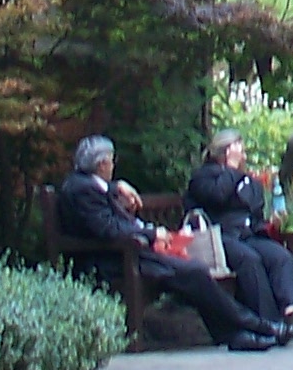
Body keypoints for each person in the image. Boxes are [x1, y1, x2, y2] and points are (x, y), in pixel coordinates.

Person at [57, 137, 274, 351]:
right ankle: (254, 325)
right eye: (112, 161)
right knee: (195, 272)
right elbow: (109, 229)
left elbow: (103, 208)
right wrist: (152, 233)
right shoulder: (83, 190)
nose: (114, 165)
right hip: (115, 261)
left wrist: (116, 187)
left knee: (194, 273)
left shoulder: (84, 184)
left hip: (129, 255)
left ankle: (237, 334)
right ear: (102, 164)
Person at [185, 129, 293, 341]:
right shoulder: (203, 177)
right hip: (219, 236)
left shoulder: (250, 181)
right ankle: (269, 324)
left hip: (248, 236)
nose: (244, 156)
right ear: (224, 152)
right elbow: (217, 197)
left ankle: (290, 311)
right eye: (239, 150)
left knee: (281, 257)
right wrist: (231, 169)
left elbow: (256, 216)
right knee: (249, 260)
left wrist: (272, 224)